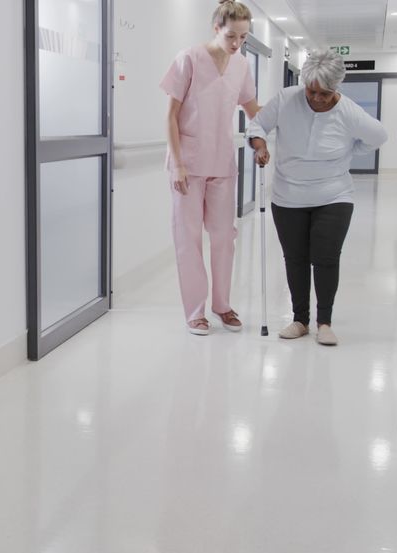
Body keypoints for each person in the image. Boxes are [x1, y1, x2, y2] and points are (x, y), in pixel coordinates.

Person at [247, 50, 387, 346]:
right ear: (304, 82)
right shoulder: (287, 99)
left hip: (333, 195)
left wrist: (349, 153)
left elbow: (378, 137)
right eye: (312, 91)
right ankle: (300, 320)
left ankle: (325, 322)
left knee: (325, 258)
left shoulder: (348, 112)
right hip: (288, 195)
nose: (318, 98)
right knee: (295, 259)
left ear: (337, 88)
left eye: (326, 93)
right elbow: (257, 125)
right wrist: (259, 147)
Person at [161, 0, 261, 336]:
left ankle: (222, 304)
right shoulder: (188, 58)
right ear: (216, 27)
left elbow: (253, 109)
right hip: (187, 164)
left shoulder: (242, 65)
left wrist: (277, 126)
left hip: (222, 162)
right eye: (231, 35)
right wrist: (176, 165)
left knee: (224, 238)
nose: (236, 44)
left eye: (243, 38)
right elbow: (171, 116)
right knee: (188, 239)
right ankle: (195, 310)